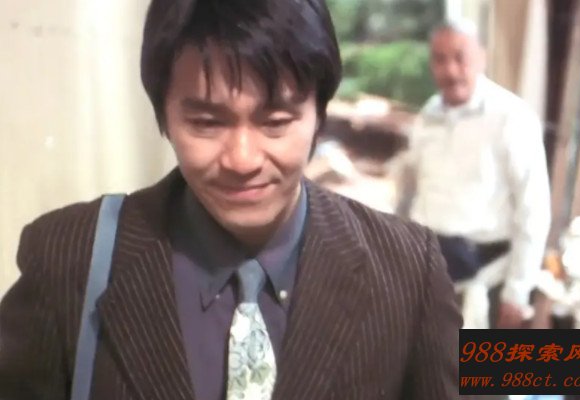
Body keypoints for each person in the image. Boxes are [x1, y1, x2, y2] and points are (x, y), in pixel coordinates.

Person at [0, 1, 461, 399]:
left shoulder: (412, 267)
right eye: (207, 123)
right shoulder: (70, 259)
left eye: (275, 122)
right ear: (164, 115)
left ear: (319, 115)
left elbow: (486, 381)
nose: (242, 159)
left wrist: (508, 343)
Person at [397, 19, 551, 330]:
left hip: (488, 280)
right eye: (440, 60)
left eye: (460, 57)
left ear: (482, 57)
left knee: (484, 363)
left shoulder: (512, 117)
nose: (451, 70)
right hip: (426, 276)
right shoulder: (427, 116)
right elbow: (407, 193)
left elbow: (534, 210)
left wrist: (517, 292)